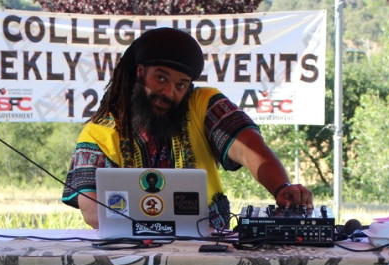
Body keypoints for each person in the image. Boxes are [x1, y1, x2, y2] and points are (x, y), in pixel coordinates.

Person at [61, 27, 313, 228]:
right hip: (130, 255)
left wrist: (282, 188)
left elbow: (250, 150)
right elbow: (92, 211)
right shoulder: (100, 131)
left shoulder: (203, 105)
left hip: (209, 250)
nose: (169, 92)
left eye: (181, 84)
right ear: (140, 72)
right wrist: (158, 229)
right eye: (161, 78)